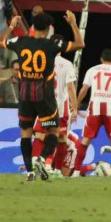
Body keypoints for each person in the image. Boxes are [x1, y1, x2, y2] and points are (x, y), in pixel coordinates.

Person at [0, 11, 84, 181]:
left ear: (33, 27)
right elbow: (80, 44)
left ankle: (30, 172)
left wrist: (12, 26)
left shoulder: (20, 41)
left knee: (26, 134)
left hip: (25, 96)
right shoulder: (51, 45)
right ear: (49, 29)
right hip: (44, 96)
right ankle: (42, 158)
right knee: (54, 130)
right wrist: (73, 23)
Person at [75, 49, 111, 179]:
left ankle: (76, 172)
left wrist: (76, 105)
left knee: (85, 140)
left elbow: (84, 89)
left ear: (101, 59)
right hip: (110, 109)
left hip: (95, 107)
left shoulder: (92, 70)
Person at [32, 37, 78, 176]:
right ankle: (56, 169)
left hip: (44, 105)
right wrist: (74, 107)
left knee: (40, 135)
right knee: (62, 138)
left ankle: (34, 163)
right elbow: (70, 87)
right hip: (61, 108)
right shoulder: (67, 64)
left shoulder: (41, 60)